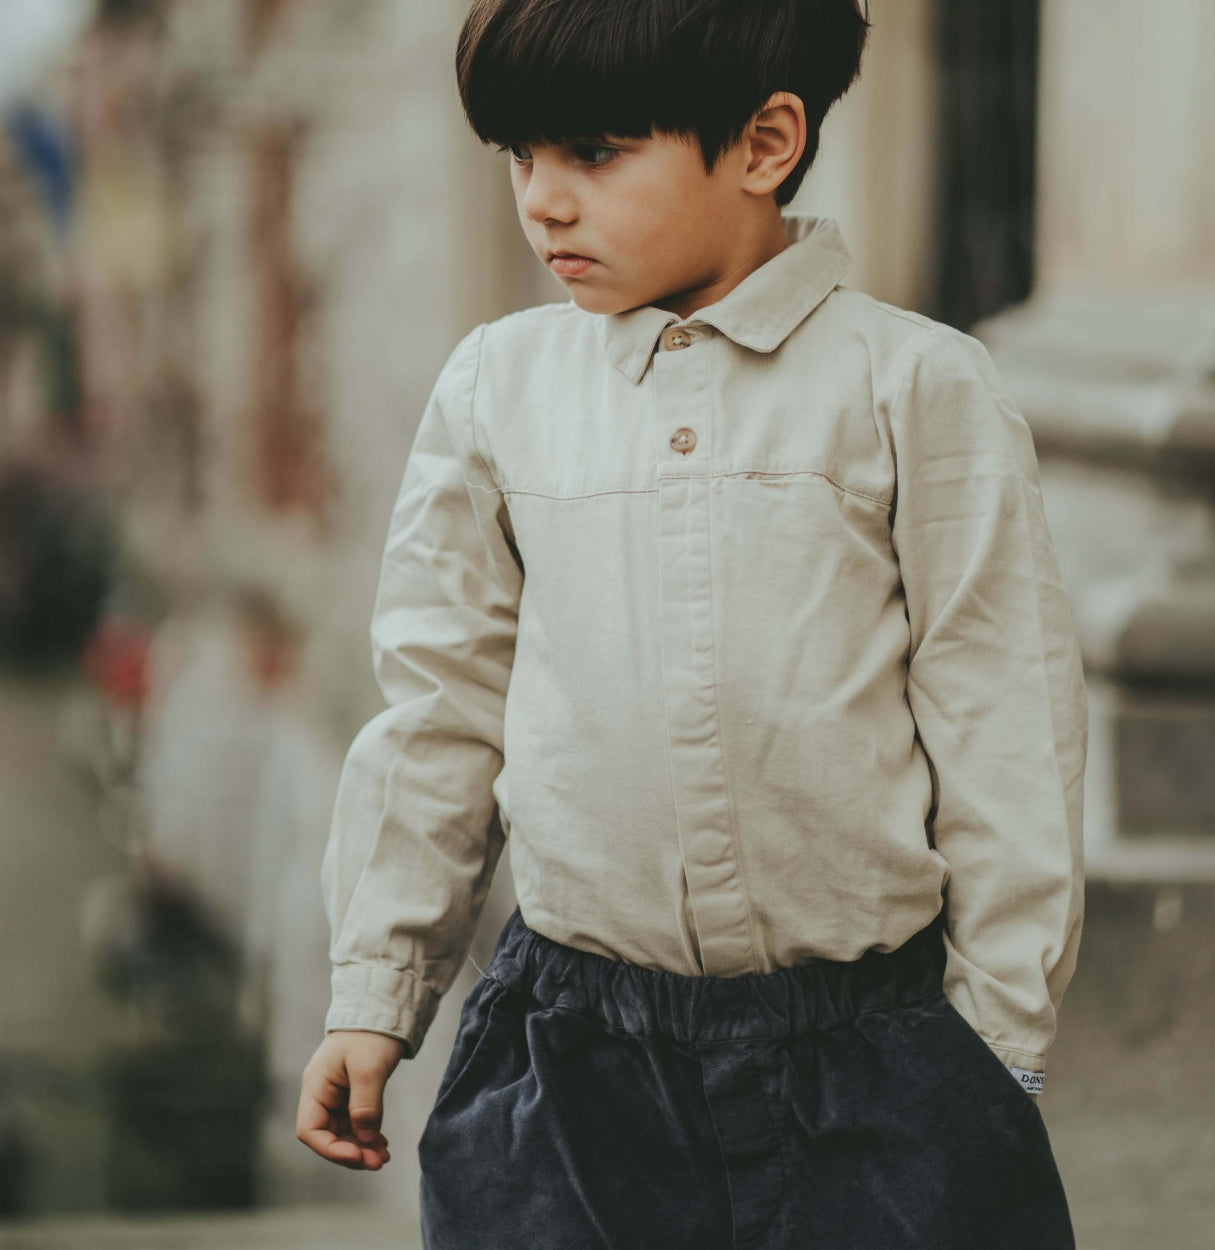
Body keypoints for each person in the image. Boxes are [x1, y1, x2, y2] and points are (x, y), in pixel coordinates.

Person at [296, 1, 1089, 1245]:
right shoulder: (498, 387)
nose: (543, 201)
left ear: (764, 142)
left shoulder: (915, 385)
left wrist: (995, 1050)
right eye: (520, 157)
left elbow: (1005, 727)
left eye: (595, 153)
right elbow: (439, 710)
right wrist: (376, 992)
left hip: (870, 1058)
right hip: (567, 1065)